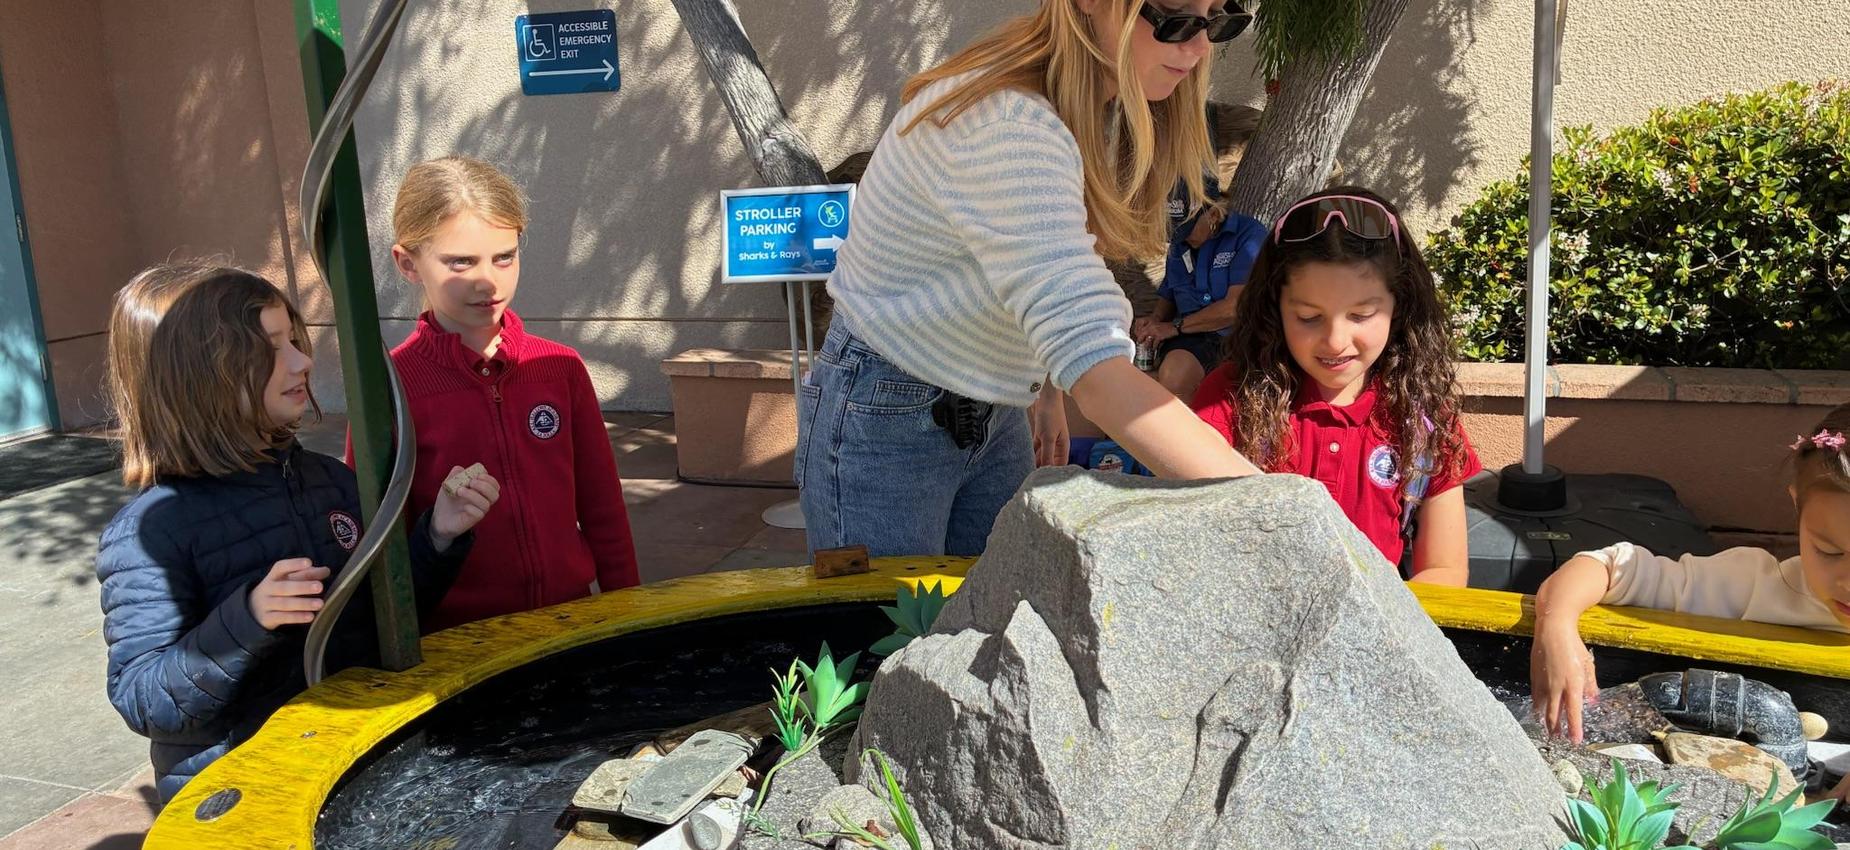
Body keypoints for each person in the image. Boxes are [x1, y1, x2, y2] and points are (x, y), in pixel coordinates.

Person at [800, 0, 1262, 558]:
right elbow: (1095, 367)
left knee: (989, 627)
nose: (1200, 45)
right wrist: (1270, 513)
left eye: (1219, 18)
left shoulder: (1091, 101)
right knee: (890, 638)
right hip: (885, 410)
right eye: (1176, 18)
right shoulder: (1009, 123)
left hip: (989, 404)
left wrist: (1043, 389)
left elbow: (1041, 268)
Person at [96, 264, 496, 804]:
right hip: (245, 793)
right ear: (199, 377)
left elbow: (386, 617)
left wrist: (437, 538)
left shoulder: (331, 482)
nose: (304, 361)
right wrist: (247, 619)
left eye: (294, 340)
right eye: (271, 349)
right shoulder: (150, 533)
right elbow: (144, 698)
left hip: (343, 769)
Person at [375, 155, 640, 631]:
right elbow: (378, 543)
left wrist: (631, 616)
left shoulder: (559, 368)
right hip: (455, 641)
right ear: (408, 264)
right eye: (461, 262)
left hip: (571, 622)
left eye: (504, 256)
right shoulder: (390, 390)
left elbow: (603, 507)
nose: (488, 281)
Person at [1190, 187, 1481, 585]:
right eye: (1309, 317)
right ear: (1274, 310)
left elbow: (1444, 570)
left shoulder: (1425, 416)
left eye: (1361, 315)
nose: (1335, 341)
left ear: (1401, 308)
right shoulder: (1229, 397)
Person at [1530, 403, 1850, 750]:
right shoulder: (1751, 586)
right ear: (1797, 503)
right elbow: (1609, 567)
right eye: (1829, 550)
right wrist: (1557, 624)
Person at [1132, 198, 1267, 400]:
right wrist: (1156, 320)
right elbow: (1170, 289)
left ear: (1213, 214)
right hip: (1190, 334)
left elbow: (1235, 308)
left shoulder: (1249, 235)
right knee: (1162, 374)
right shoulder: (1180, 244)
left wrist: (1174, 326)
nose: (1182, 239)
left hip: (1234, 335)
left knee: (1178, 377)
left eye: (1188, 230)